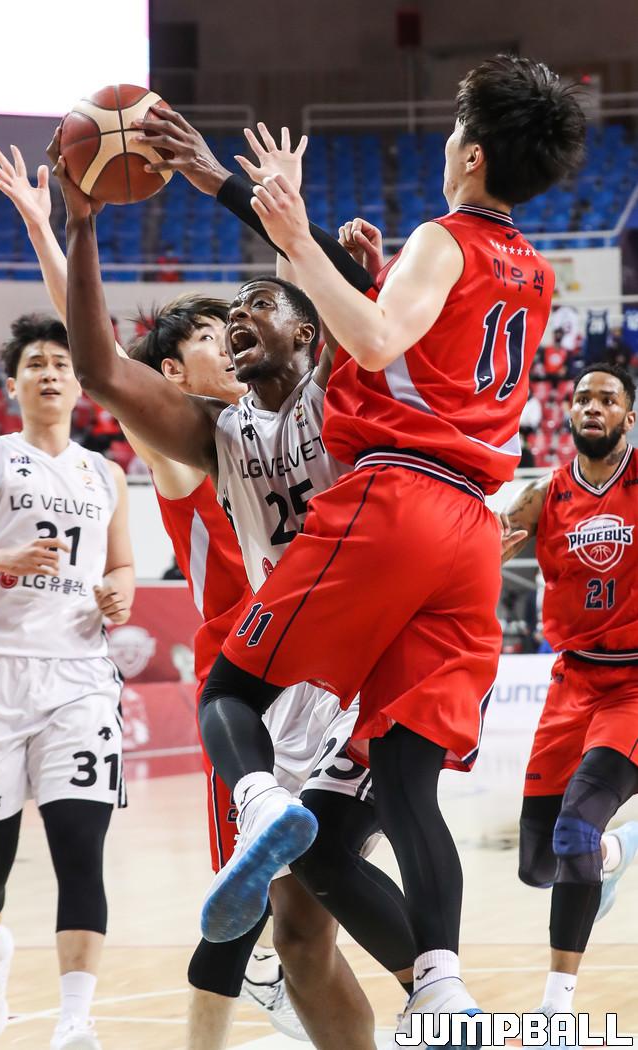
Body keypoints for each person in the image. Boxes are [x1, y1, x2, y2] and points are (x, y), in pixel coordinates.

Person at [136, 53, 585, 1043]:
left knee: (228, 695)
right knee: (398, 787)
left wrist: (282, 225)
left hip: (398, 500)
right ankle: (442, 991)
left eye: (452, 133)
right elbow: (403, 327)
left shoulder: (443, 235)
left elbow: (377, 341)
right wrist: (335, 259)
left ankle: (259, 804)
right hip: (471, 526)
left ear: (471, 154)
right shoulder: (534, 268)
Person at [0, 142, 416, 1050]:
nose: (230, 334)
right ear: (176, 375)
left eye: (241, 323)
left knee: (297, 897)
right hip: (257, 690)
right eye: (214, 334)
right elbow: (103, 361)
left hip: (362, 660)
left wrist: (327, 256)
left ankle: (439, 988)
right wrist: (64, 227)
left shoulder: (322, 397)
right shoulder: (198, 443)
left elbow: (343, 332)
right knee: (281, 929)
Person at [0, 314, 134, 1050]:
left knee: (80, 849)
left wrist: (120, 595)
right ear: (14, 383)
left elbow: (120, 563)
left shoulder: (106, 473)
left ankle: (75, 1020)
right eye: (36, 364)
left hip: (80, 678)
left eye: (62, 363)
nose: (50, 374)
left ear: (81, 385)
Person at [501, 362, 638, 1044]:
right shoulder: (541, 497)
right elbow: (475, 554)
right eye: (582, 397)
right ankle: (616, 850)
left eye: (607, 399)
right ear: (568, 413)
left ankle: (556, 1010)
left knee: (574, 828)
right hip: (570, 683)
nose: (591, 406)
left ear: (628, 418)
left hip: (634, 685)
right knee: (537, 866)